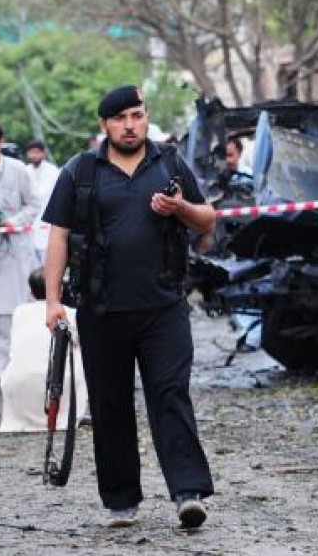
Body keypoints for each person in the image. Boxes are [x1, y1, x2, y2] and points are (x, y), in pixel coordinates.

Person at [42, 85, 216, 529]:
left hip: (164, 306)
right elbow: (58, 235)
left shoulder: (170, 162)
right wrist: (53, 301)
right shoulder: (80, 171)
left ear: (146, 117)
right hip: (101, 309)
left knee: (171, 394)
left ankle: (188, 492)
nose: (130, 125)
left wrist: (179, 207)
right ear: (105, 125)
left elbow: (207, 219)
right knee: (110, 403)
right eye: (120, 118)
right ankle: (121, 499)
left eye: (136, 116)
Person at [0, 268, 88, 433]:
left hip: (19, 385)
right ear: (60, 290)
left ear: (31, 292)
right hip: (61, 385)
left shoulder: (19, 312)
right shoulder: (71, 313)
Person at [0, 122, 39, 384]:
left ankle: (3, 370)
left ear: (0, 142)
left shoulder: (17, 171)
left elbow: (34, 204)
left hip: (12, 251)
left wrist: (13, 222)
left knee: (8, 313)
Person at [24, 140, 60, 264]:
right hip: (29, 221)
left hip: (47, 219)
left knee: (47, 261)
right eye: (31, 152)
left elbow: (43, 194)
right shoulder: (25, 170)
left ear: (43, 154)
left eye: (37, 152)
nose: (34, 155)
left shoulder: (52, 171)